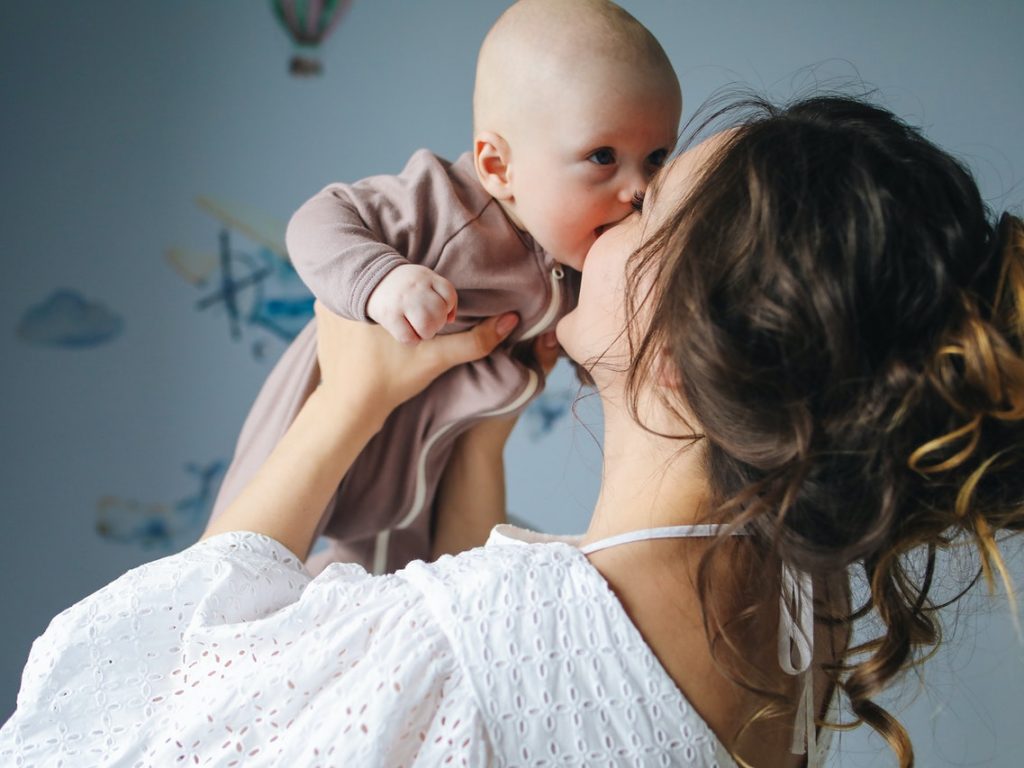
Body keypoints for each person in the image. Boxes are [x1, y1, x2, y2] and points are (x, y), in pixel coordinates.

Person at [3, 92, 1022, 767]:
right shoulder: (797, 605)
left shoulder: (482, 637)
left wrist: (345, 400)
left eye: (646, 205)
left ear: (678, 346)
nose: (603, 216)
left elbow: (145, 702)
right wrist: (478, 447)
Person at [209, 0, 683, 575]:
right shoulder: (444, 206)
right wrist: (382, 279)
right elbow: (318, 219)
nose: (638, 189)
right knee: (238, 565)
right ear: (498, 166)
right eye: (602, 157)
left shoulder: (581, 253)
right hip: (330, 409)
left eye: (657, 159)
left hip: (429, 457)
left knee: (394, 584)